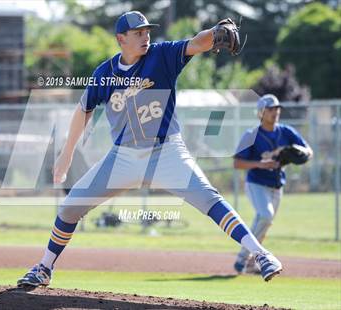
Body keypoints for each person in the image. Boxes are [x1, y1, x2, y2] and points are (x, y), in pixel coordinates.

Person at [17, 11, 283, 287]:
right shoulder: (105, 73)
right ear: (121, 39)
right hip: (123, 156)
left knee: (210, 200)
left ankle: (260, 254)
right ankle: (44, 267)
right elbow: (83, 110)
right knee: (70, 209)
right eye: (138, 33)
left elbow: (197, 43)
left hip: (167, 151)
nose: (146, 37)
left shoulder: (162, 56)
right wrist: (67, 153)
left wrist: (216, 32)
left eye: (147, 32)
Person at [233, 94, 313, 274]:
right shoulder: (251, 135)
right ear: (261, 113)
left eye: (277, 109)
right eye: (270, 109)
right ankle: (242, 258)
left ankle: (252, 263)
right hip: (256, 183)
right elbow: (237, 163)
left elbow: (309, 150)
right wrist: (260, 164)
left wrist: (303, 153)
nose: (275, 112)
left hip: (277, 185)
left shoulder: (286, 132)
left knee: (264, 222)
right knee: (265, 216)